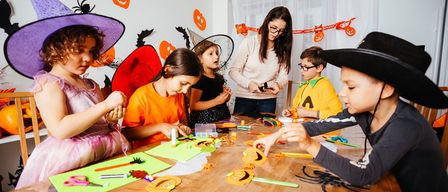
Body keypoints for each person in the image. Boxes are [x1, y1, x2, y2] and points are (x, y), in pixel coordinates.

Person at [254, 32, 448, 191]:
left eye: (351, 87)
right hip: (389, 180)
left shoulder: (406, 125)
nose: (342, 93)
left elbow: (363, 175)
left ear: (386, 89)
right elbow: (317, 125)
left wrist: (309, 145)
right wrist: (277, 135)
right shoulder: (362, 111)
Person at [4, 15, 129, 187]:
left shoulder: (91, 84)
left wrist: (111, 117)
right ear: (56, 49)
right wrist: (105, 105)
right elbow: (61, 129)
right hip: (70, 160)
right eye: (79, 50)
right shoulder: (49, 83)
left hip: (103, 151)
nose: (88, 58)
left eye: (91, 51)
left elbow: (98, 121)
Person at [122, 48, 203, 148]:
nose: (185, 91)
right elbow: (127, 134)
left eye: (189, 86)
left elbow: (182, 122)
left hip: (175, 149)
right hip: (149, 154)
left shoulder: (179, 95)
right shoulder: (141, 96)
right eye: (183, 83)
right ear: (168, 70)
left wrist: (182, 127)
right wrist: (160, 127)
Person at [229, 6, 292, 117]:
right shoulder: (249, 42)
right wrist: (249, 84)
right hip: (244, 98)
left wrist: (278, 84)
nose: (276, 33)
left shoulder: (282, 49)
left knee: (266, 132)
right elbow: (233, 71)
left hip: (268, 100)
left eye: (281, 31)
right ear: (267, 22)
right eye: (274, 27)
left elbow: (283, 76)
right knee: (240, 133)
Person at [282, 46, 342, 119]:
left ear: (319, 68)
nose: (301, 70)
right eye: (301, 66)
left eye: (306, 67)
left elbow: (337, 112)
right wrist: (291, 112)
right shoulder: (304, 86)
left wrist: (309, 113)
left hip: (317, 128)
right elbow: (297, 108)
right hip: (302, 126)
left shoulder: (324, 86)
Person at [189, 34, 233, 126]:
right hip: (205, 122)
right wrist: (216, 101)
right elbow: (193, 105)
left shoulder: (219, 78)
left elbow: (220, 100)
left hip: (222, 119)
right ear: (200, 59)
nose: (216, 56)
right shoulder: (199, 79)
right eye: (211, 54)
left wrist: (226, 97)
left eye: (217, 53)